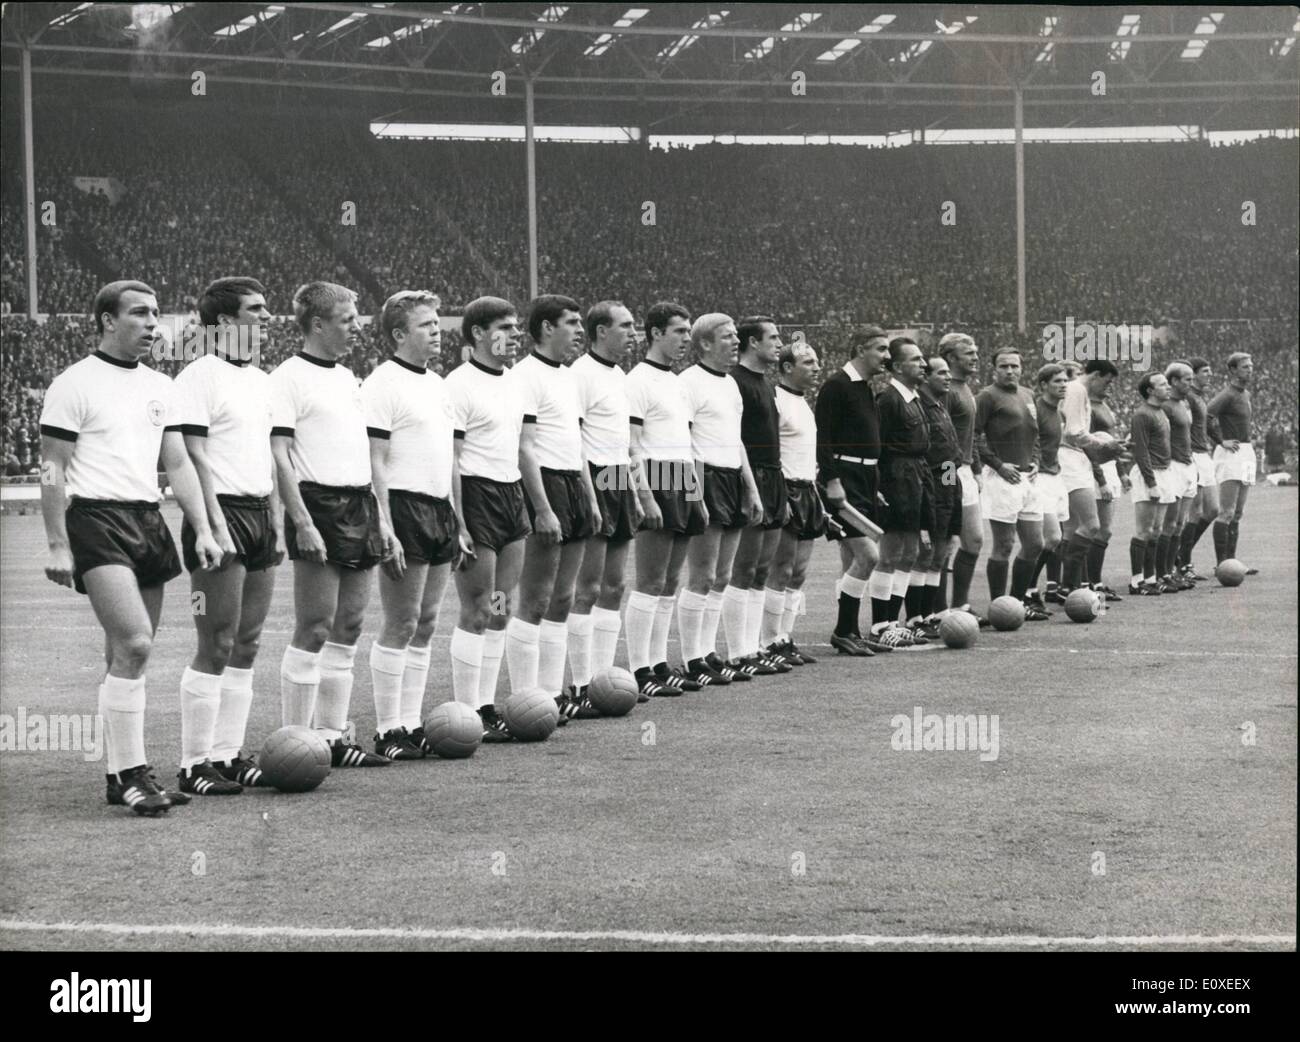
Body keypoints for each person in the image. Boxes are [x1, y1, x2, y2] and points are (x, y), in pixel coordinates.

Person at [40, 280, 222, 816]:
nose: (152, 323)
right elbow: (53, 466)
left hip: (147, 519)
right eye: (139, 313)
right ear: (105, 321)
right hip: (96, 519)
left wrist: (204, 528)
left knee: (126, 655)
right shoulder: (73, 383)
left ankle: (123, 775)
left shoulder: (160, 385)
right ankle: (130, 773)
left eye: (156, 314)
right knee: (136, 644)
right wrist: (56, 543)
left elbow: (180, 464)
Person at [272, 281, 397, 767]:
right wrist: (301, 521)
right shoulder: (287, 377)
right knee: (316, 626)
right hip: (317, 505)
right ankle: (295, 743)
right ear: (318, 324)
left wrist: (381, 519)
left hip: (359, 504)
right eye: (348, 318)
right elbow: (279, 455)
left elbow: (364, 455)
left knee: (349, 624)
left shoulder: (348, 378)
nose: (357, 326)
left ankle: (333, 737)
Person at [172, 276, 281, 795]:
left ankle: (228, 755)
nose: (266, 316)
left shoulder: (262, 380)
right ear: (223, 322)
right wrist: (212, 526)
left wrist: (277, 520)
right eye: (255, 309)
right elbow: (192, 458)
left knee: (248, 642)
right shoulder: (199, 375)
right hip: (219, 517)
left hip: (259, 514)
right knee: (214, 641)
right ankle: (195, 765)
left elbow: (268, 458)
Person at [363, 290, 468, 760]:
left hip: (439, 509)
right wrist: (384, 521)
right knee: (401, 621)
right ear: (400, 333)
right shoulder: (382, 384)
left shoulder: (439, 385)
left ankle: (410, 722)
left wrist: (459, 522)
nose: (437, 332)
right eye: (426, 325)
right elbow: (375, 461)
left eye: (437, 324)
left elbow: (449, 460)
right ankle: (388, 730)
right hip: (402, 507)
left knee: (426, 623)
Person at [507, 295, 600, 719]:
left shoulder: (569, 378)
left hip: (573, 486)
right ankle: (528, 698)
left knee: (564, 598)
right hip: (544, 486)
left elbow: (576, 444)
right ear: (546, 327)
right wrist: (542, 508)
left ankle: (553, 694)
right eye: (572, 322)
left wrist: (590, 496)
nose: (580, 330)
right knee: (536, 599)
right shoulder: (524, 376)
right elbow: (525, 449)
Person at [443, 296, 531, 740]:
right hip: (476, 497)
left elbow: (520, 447)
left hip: (510, 494)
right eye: (507, 327)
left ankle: (487, 705)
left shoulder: (515, 383)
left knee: (502, 606)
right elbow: (451, 459)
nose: (516, 335)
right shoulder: (457, 385)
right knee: (477, 609)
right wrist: (458, 521)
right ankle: (468, 710)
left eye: (517, 327)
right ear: (478, 333)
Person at [679, 313, 768, 684]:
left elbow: (737, 440)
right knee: (702, 575)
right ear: (704, 344)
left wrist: (750, 486)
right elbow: (681, 441)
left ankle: (709, 652)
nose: (736, 342)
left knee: (723, 575)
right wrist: (693, 491)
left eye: (736, 336)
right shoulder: (688, 383)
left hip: (732, 476)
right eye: (728, 337)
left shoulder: (731, 385)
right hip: (705, 476)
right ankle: (691, 659)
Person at [625, 302, 706, 699]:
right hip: (655, 475)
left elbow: (686, 444)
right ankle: (639, 668)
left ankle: (659, 664)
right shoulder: (637, 380)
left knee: (671, 581)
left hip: (680, 476)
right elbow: (632, 445)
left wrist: (696, 494)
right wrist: (646, 496)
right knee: (650, 580)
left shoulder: (676, 382)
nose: (686, 339)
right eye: (679, 331)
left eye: (689, 331)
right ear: (656, 333)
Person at [568, 301, 643, 712]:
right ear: (600, 331)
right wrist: (590, 493)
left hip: (618, 476)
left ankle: (604, 680)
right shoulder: (580, 374)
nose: (634, 333)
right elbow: (575, 438)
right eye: (626, 326)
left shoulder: (620, 375)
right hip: (593, 477)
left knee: (615, 586)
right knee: (588, 587)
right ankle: (580, 685)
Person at [727, 316, 801, 666]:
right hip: (751, 477)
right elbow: (737, 440)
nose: (778, 342)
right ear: (753, 342)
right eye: (772, 337)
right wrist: (749, 487)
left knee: (761, 569)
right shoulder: (735, 382)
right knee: (743, 569)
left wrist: (780, 491)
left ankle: (756, 647)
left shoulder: (766, 384)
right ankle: (737, 652)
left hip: (773, 478)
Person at [816, 326, 890, 656]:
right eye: (881, 349)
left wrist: (874, 486)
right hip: (843, 478)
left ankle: (852, 630)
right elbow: (823, 439)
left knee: (851, 560)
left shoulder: (865, 388)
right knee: (868, 556)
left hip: (864, 479)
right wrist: (832, 481)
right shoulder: (836, 386)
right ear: (861, 349)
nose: (887, 356)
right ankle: (843, 630)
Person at [973, 348, 1048, 619]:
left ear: (1021, 368)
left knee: (1035, 544)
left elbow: (1036, 434)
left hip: (1029, 478)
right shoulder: (986, 396)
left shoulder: (1028, 395)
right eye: (1004, 366)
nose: (1010, 370)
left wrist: (1037, 460)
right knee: (1004, 544)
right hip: (1002, 478)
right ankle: (999, 605)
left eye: (1014, 366)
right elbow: (975, 435)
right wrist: (998, 465)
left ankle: (1016, 604)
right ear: (994, 369)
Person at [764, 338, 826, 664]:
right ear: (787, 367)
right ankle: (769, 641)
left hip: (808, 489)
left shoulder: (803, 403)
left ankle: (785, 637)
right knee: (782, 569)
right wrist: (779, 495)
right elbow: (771, 452)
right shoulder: (776, 399)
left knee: (799, 572)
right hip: (786, 489)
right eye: (808, 363)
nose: (816, 368)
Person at [869, 337, 934, 646]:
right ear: (897, 366)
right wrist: (879, 486)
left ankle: (893, 622)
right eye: (916, 359)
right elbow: (877, 446)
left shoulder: (914, 397)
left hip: (916, 477)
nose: (924, 364)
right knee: (891, 554)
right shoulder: (888, 399)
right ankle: (880, 625)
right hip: (897, 478)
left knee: (910, 553)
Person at [1057, 359, 1124, 599]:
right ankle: (1069, 585)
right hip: (1070, 458)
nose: (1107, 387)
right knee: (1091, 525)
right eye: (1106, 381)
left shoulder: (1078, 390)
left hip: (1075, 458)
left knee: (1072, 528)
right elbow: (1074, 432)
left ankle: (1068, 586)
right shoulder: (1076, 389)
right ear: (1095, 375)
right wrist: (1104, 443)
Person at [939, 333, 984, 620]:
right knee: (946, 542)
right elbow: (940, 437)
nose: (975, 357)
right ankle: (939, 610)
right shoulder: (946, 390)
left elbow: (971, 436)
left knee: (974, 541)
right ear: (951, 358)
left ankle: (960, 605)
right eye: (968, 353)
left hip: (965, 470)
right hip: (947, 470)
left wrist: (976, 469)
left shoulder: (966, 388)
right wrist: (946, 479)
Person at [917, 353, 963, 624]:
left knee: (941, 553)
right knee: (928, 553)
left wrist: (951, 487)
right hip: (933, 486)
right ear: (926, 376)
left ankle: (934, 612)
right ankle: (922, 614)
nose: (948, 377)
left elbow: (949, 453)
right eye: (941, 372)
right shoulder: (921, 406)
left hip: (947, 483)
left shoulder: (938, 405)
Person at [1207, 352, 1258, 573]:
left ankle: (1232, 563)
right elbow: (1205, 417)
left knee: (1238, 513)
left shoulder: (1245, 393)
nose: (1250, 369)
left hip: (1246, 452)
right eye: (1245, 366)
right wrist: (1221, 440)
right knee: (1226, 511)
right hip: (1232, 453)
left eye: (1251, 365)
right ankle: (1222, 565)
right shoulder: (1226, 394)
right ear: (1233, 370)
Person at [1128, 372, 1176, 595]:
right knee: (1144, 530)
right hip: (1150, 474)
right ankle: (1136, 581)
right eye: (1163, 384)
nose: (1168, 387)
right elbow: (1140, 450)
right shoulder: (1142, 415)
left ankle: (1150, 577)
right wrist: (1151, 482)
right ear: (1150, 390)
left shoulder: (1161, 412)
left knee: (1156, 530)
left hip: (1165, 472)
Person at [1027, 363, 1070, 611]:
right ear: (1043, 385)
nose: (1063, 385)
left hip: (1055, 477)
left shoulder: (1059, 413)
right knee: (1051, 537)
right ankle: (1028, 588)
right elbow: (1030, 441)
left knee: (1056, 539)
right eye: (1057, 381)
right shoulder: (1036, 410)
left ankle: (1040, 588)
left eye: (1065, 381)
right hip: (1039, 477)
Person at [1160, 362, 1199, 591]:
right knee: (1170, 523)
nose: (1190, 383)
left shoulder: (1184, 403)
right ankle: (1163, 573)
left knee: (1180, 524)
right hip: (1173, 466)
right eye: (1187, 379)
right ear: (1174, 381)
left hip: (1187, 465)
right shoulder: (1165, 406)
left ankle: (1172, 571)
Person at [1179, 356, 1216, 579]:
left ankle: (1180, 555)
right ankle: (1184, 564)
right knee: (1195, 512)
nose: (1209, 375)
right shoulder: (1188, 398)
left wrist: (1220, 440)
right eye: (1205, 371)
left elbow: (1207, 425)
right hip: (1193, 455)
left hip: (1205, 455)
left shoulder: (1200, 397)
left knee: (1212, 510)